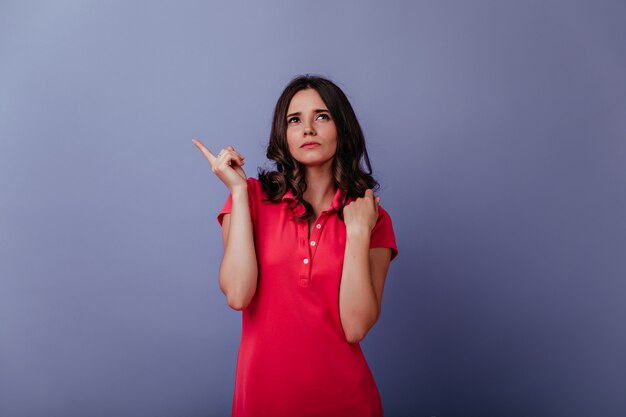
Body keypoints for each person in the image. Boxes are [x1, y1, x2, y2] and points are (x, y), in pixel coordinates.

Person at [192, 75, 398, 417]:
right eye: (294, 120)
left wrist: (359, 232)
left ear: (342, 128)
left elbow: (355, 326)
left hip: (348, 403)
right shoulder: (251, 199)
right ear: (283, 135)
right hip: (262, 403)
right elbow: (238, 295)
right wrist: (240, 193)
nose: (308, 129)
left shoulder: (370, 217)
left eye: (322, 116)